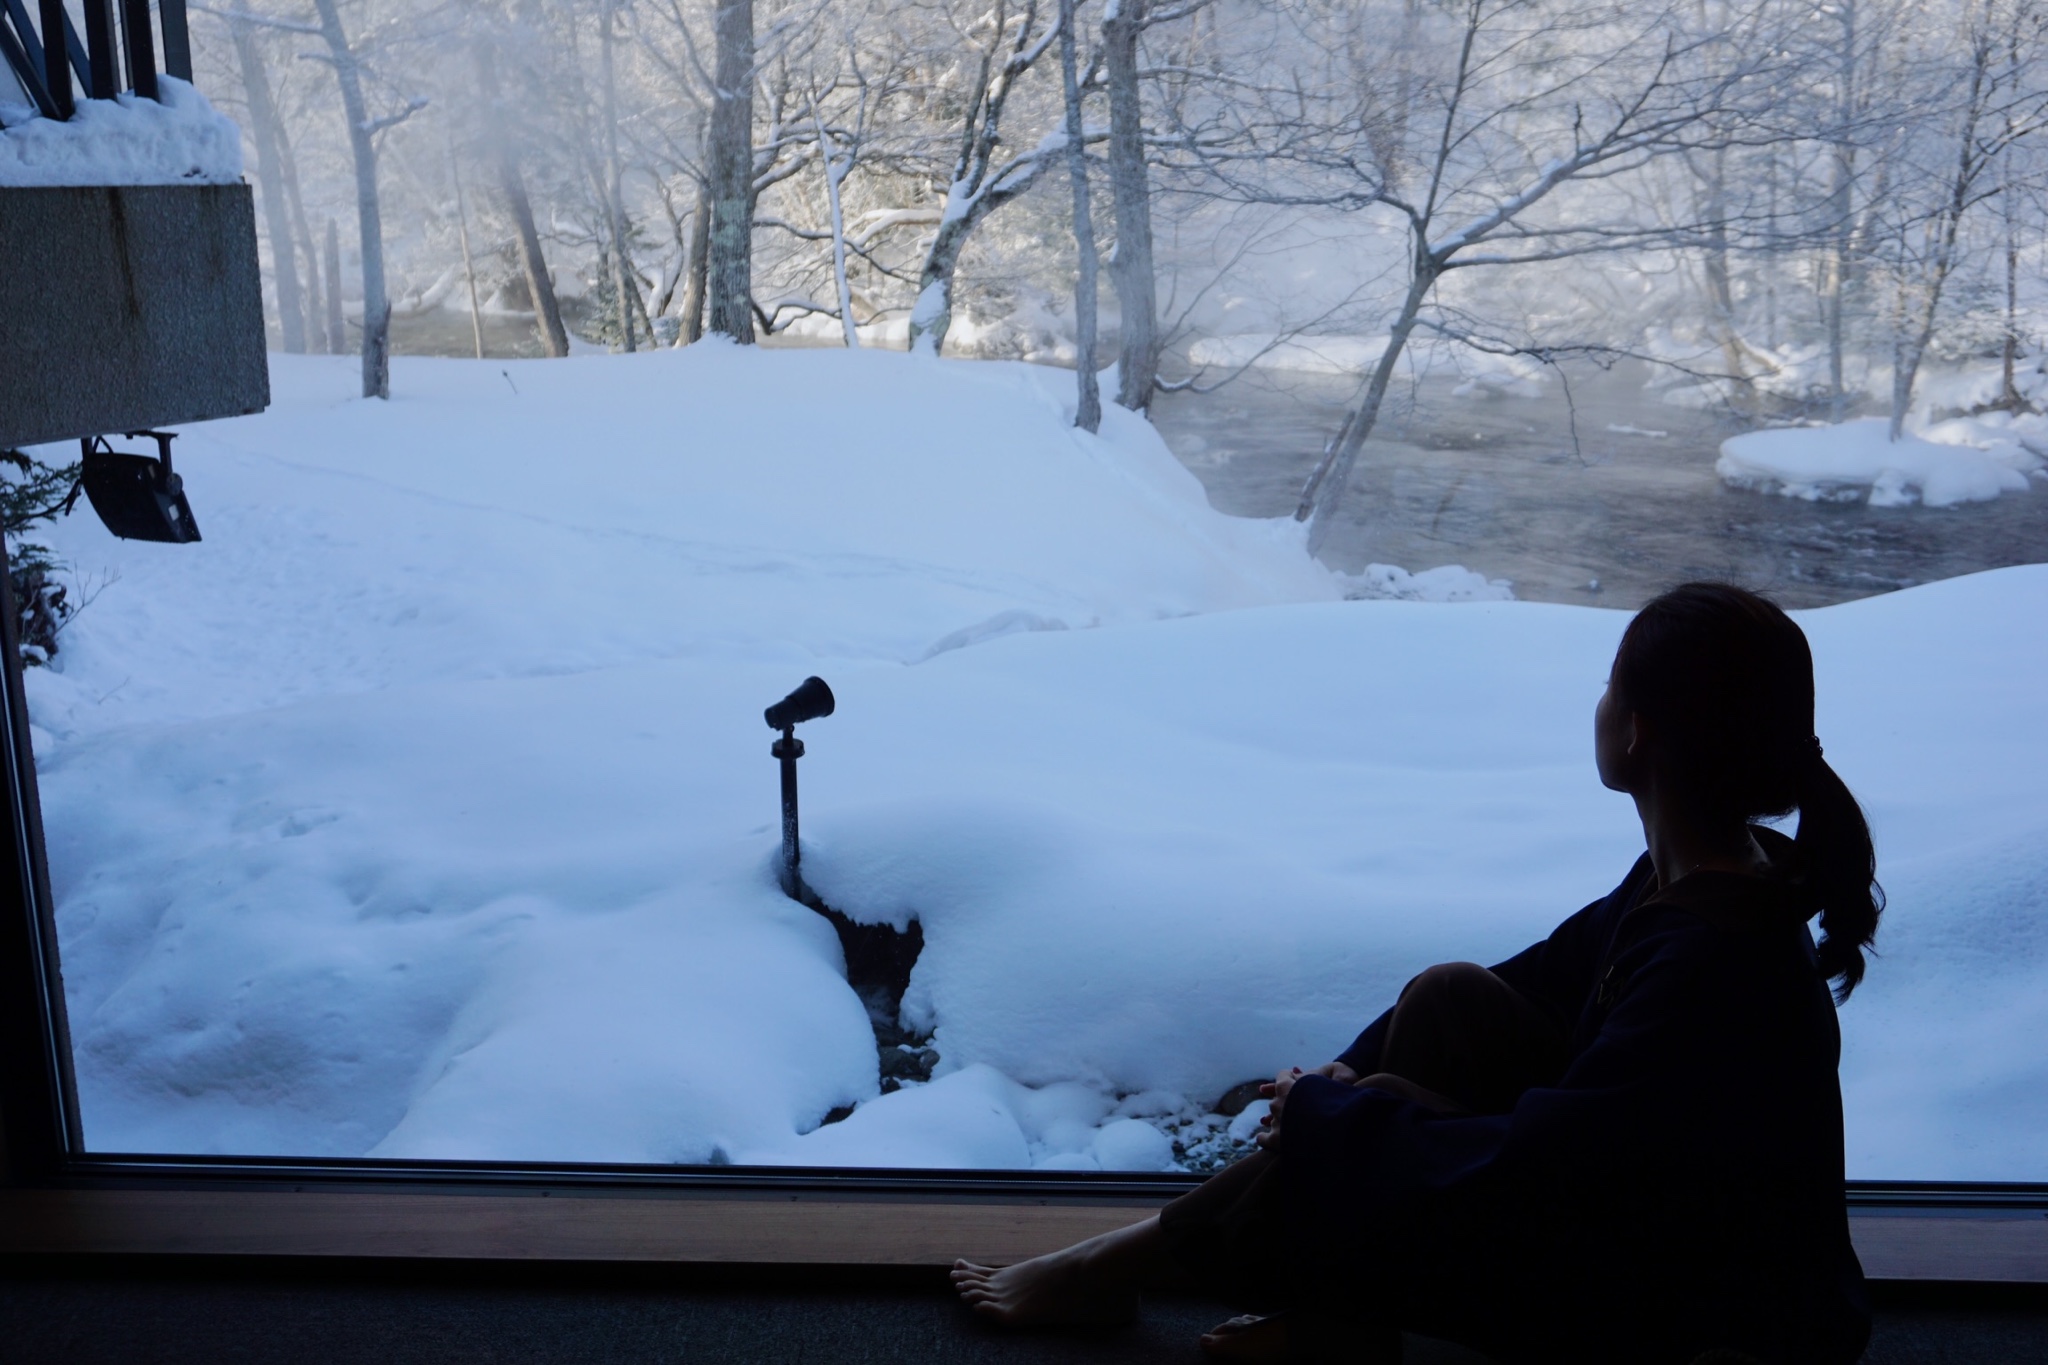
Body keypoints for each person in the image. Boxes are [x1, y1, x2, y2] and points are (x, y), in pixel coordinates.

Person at [952, 583, 1879, 1365]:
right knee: (1446, 999)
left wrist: (1330, 1118)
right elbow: (1543, 980)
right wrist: (1339, 1079)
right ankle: (1336, 1321)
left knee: (1373, 1117)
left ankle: (1106, 1270)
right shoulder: (1711, 871)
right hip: (1651, 1227)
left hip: (1706, 1321)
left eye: (1607, 686)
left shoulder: (1711, 958)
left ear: (1637, 732)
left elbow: (1540, 1164)